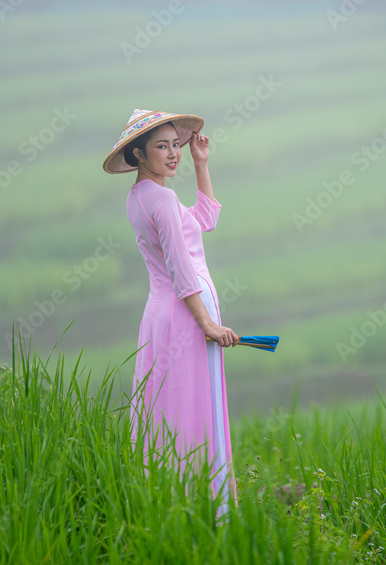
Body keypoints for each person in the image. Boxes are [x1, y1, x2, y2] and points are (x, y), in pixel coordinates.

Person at [103, 109, 239, 516]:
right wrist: (207, 323)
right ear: (138, 155)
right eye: (161, 146)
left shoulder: (141, 196)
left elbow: (204, 220)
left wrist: (201, 164)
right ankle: (207, 506)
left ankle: (168, 502)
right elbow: (181, 270)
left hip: (161, 315)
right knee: (193, 406)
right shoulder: (160, 198)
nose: (173, 153)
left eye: (175, 144)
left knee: (172, 407)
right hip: (185, 317)